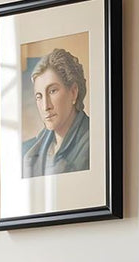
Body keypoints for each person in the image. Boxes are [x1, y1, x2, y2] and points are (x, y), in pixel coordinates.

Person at [22, 48, 90, 177]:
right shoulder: (28, 151)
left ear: (73, 92)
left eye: (52, 91)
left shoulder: (93, 141)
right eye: (39, 96)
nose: (45, 106)